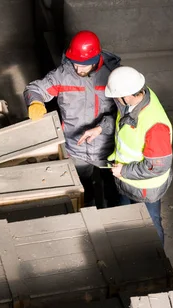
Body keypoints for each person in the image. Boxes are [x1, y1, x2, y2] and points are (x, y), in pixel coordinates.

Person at [23, 30, 120, 208]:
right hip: (76, 148)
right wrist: (35, 102)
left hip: (108, 147)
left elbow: (126, 114)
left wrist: (102, 127)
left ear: (95, 59)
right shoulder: (63, 75)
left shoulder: (114, 76)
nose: (77, 69)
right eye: (75, 63)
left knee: (112, 190)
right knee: (82, 193)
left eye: (83, 65)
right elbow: (34, 89)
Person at [104, 66, 173, 245]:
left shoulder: (155, 126)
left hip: (145, 187)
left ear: (127, 95)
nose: (114, 100)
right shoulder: (137, 98)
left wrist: (124, 171)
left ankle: (158, 263)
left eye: (116, 96)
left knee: (151, 224)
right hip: (126, 180)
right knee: (125, 218)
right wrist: (100, 128)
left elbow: (157, 166)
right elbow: (123, 122)